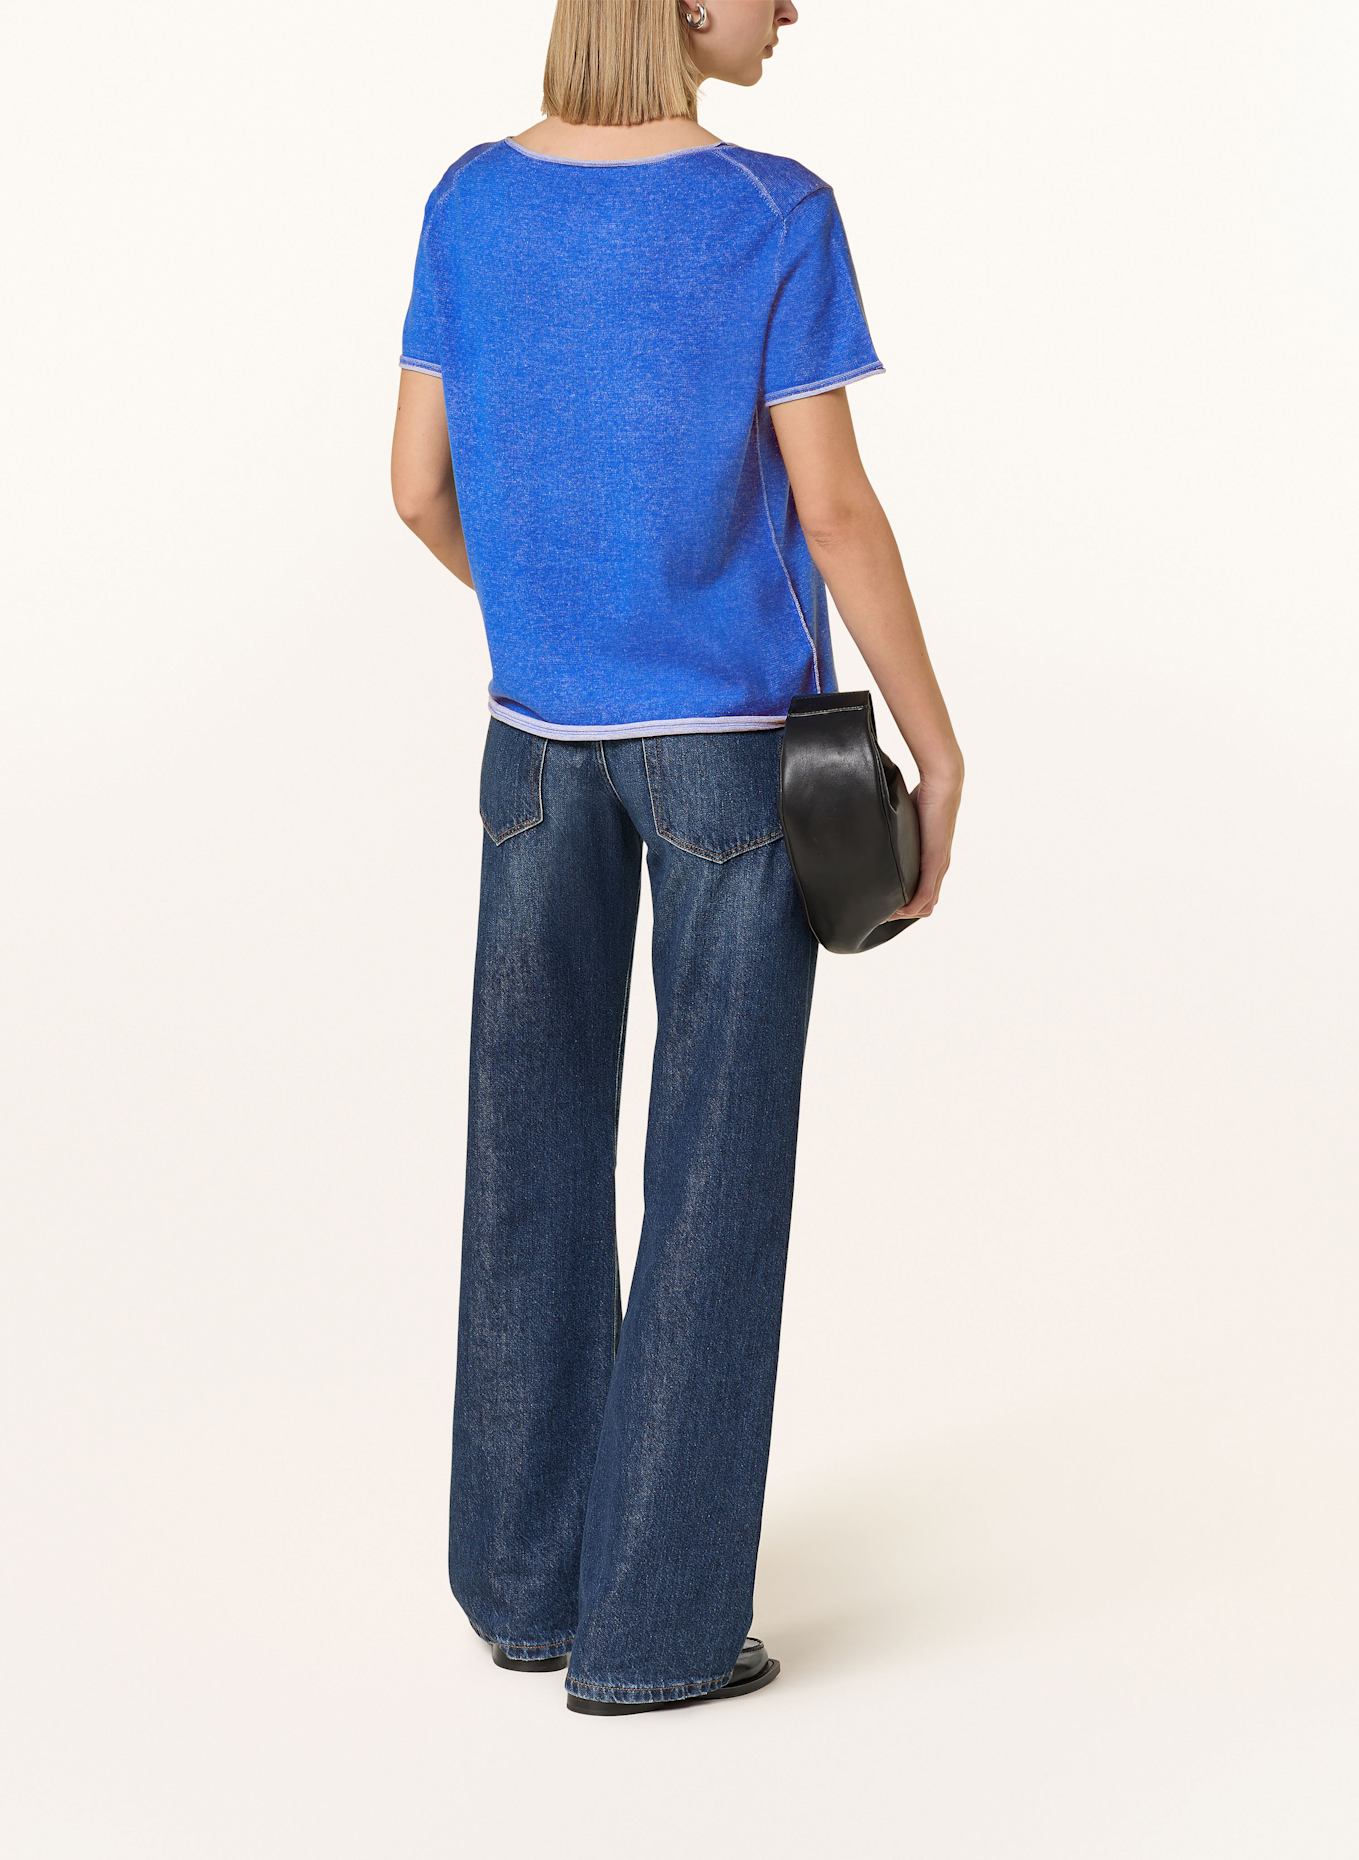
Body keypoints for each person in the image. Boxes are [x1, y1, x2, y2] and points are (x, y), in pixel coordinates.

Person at [390, 0, 964, 1717]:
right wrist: (936, 744)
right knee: (714, 1177)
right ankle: (657, 1633)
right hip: (730, 758)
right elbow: (835, 510)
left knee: (530, 1153)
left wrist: (562, 613)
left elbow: (416, 487)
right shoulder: (771, 213)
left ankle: (524, 1589)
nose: (794, 8)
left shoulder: (469, 202)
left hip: (533, 748)